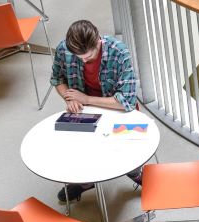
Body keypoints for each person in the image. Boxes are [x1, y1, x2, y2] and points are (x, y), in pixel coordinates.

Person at [49, 20, 140, 204]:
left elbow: (126, 102)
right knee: (79, 148)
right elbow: (57, 78)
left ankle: (135, 172)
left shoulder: (119, 52)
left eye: (87, 57)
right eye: (79, 57)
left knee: (126, 148)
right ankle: (86, 182)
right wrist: (70, 97)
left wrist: (86, 99)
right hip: (84, 111)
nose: (83, 60)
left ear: (98, 42)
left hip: (119, 110)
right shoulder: (63, 49)